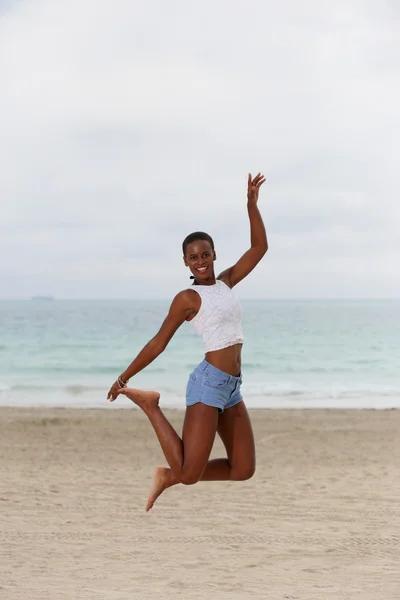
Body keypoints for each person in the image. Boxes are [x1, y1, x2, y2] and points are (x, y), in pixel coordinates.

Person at [107, 172, 268, 511]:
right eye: (194, 258)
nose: (201, 261)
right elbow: (158, 342)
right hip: (208, 384)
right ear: (186, 262)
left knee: (243, 469)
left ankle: (169, 475)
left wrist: (252, 206)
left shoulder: (225, 283)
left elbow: (259, 248)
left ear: (213, 255)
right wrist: (124, 377)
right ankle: (150, 406)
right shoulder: (187, 298)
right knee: (190, 473)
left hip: (232, 387)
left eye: (206, 255)